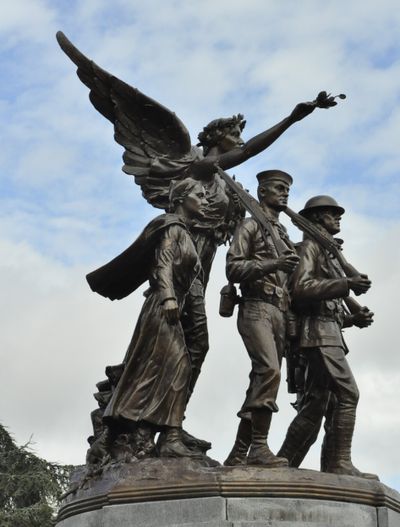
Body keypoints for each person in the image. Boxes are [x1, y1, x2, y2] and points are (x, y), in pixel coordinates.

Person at [86, 178, 208, 459]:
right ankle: (163, 435)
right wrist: (167, 297)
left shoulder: (186, 232)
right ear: (181, 199)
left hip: (172, 306)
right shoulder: (172, 227)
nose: (204, 200)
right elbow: (162, 263)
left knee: (157, 370)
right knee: (176, 366)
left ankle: (131, 430)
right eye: (199, 195)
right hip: (161, 307)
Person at [277, 195, 377, 479]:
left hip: (327, 332)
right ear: (318, 217)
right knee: (348, 394)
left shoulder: (326, 251)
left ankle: (285, 463)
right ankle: (339, 463)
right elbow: (301, 288)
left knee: (318, 405)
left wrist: (352, 318)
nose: (338, 218)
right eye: (333, 213)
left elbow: (326, 307)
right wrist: (346, 283)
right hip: (318, 336)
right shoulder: (310, 247)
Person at [224, 170, 299, 467]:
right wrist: (275, 262)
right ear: (262, 192)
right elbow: (234, 268)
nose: (285, 194)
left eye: (287, 190)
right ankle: (259, 447)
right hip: (256, 306)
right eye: (279, 189)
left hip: (280, 311)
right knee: (269, 371)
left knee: (262, 378)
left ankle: (238, 452)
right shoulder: (250, 225)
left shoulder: (283, 233)